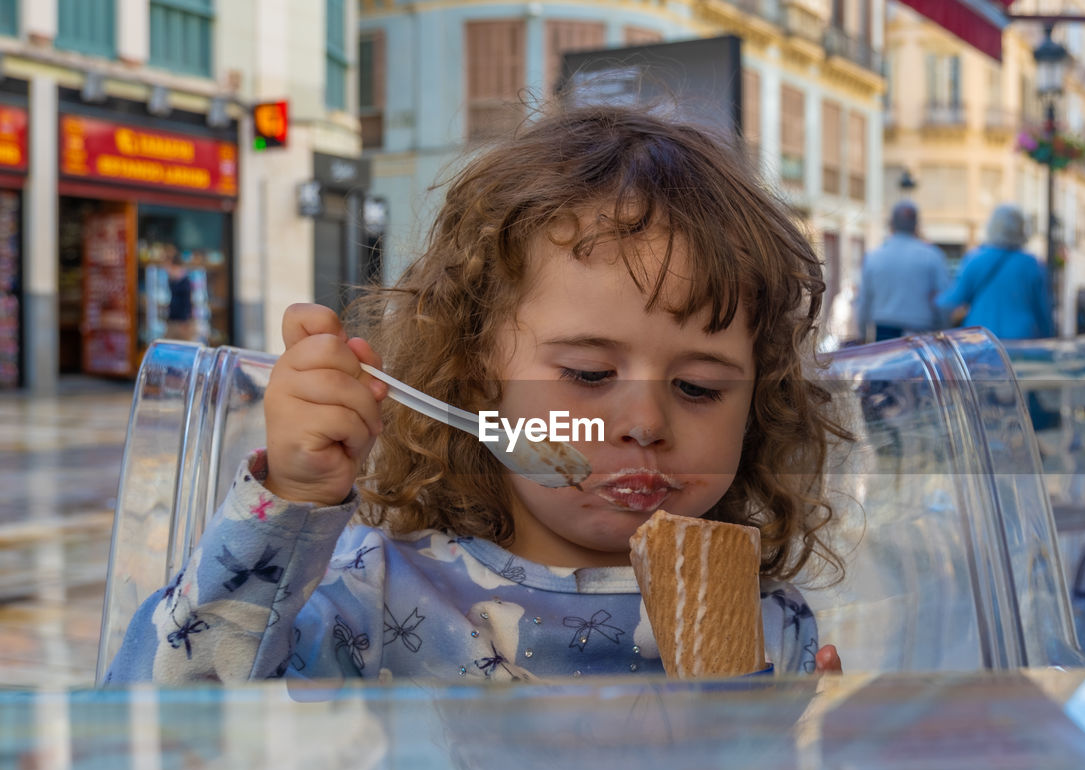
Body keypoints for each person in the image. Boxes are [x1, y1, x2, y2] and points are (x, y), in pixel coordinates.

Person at [106, 104, 850, 685]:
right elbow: (164, 727)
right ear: (473, 371)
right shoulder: (380, 592)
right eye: (589, 374)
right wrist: (291, 503)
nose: (645, 422)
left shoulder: (770, 625)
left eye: (699, 386)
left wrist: (806, 764)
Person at [936, 204, 1054, 340]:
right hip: (1021, 337)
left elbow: (955, 298)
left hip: (981, 337)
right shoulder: (1032, 264)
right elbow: (1043, 311)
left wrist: (934, 299)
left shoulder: (975, 259)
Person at [856, 201, 950, 342]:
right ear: (916, 225)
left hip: (884, 331)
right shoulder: (932, 256)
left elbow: (864, 301)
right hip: (921, 331)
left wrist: (862, 334)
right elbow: (942, 300)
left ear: (891, 224)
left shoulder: (874, 257)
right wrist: (944, 329)